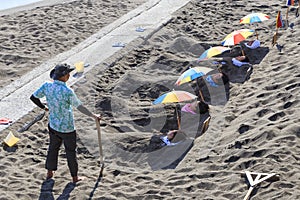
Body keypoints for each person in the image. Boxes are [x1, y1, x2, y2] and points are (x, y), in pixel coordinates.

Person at [30, 63, 101, 183]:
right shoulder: (67, 91)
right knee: (70, 152)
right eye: (68, 73)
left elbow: (33, 97)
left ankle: (49, 173)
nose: (69, 75)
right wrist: (94, 116)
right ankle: (75, 177)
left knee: (53, 148)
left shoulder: (47, 86)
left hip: (53, 125)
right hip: (67, 127)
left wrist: (44, 107)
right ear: (64, 76)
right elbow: (79, 106)